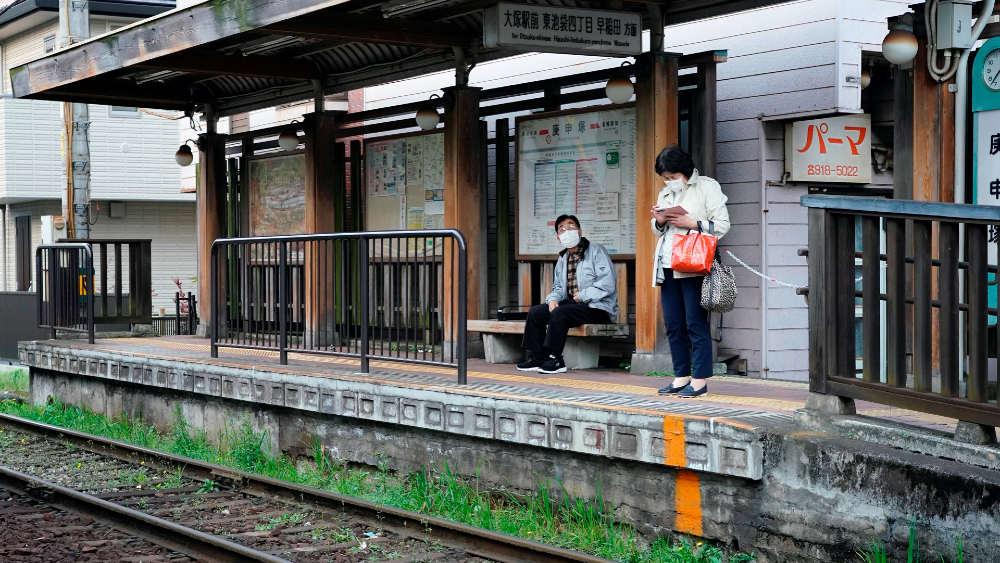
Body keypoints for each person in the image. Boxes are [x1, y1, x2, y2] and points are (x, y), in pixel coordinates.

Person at [650, 146, 730, 398]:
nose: (669, 181)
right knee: (673, 324)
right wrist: (659, 221)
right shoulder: (664, 193)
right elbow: (657, 231)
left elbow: (723, 225)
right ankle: (680, 376)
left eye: (673, 176)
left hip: (694, 264)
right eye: (665, 177)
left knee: (695, 323)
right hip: (667, 263)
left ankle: (699, 380)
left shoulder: (707, 187)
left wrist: (693, 223)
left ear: (684, 171)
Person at [516, 215, 618, 374]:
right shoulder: (563, 257)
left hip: (598, 308)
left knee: (560, 313)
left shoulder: (596, 250)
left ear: (579, 231)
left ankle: (555, 358)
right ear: (558, 238)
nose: (567, 230)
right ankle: (539, 356)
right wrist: (553, 299)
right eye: (562, 229)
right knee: (535, 312)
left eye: (571, 226)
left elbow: (607, 283)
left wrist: (583, 295)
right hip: (574, 307)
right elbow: (558, 287)